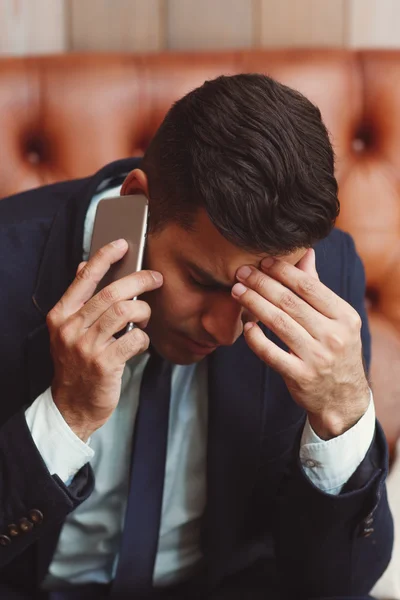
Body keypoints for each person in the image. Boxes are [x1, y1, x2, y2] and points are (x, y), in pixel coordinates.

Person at [0, 73, 393, 600]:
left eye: (258, 292)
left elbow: (340, 585)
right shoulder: (8, 261)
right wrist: (64, 416)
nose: (226, 329)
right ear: (137, 201)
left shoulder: (329, 279)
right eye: (203, 282)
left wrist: (343, 411)